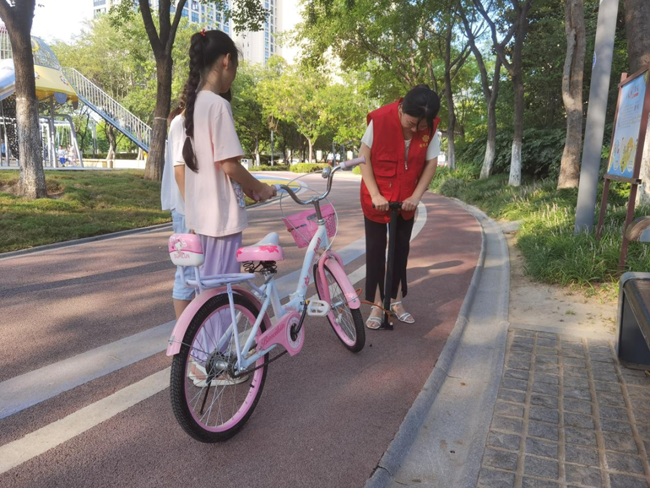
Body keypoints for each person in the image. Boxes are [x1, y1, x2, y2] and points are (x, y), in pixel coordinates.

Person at [181, 29, 276, 382]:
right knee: (221, 295)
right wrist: (259, 188)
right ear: (226, 61)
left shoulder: (194, 104)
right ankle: (212, 364)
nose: (233, 73)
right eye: (235, 66)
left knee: (208, 291)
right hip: (220, 218)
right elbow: (229, 164)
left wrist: (248, 188)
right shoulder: (218, 105)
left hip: (201, 216)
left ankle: (201, 359)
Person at [359, 84, 441, 330]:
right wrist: (376, 194)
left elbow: (431, 163)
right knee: (376, 251)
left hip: (406, 201)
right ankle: (377, 304)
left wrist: (416, 196)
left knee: (399, 251)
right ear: (402, 108)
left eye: (421, 126)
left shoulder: (430, 128)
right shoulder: (380, 120)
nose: (415, 130)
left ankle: (395, 301)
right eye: (411, 123)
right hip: (377, 198)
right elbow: (364, 158)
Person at [161, 101, 193, 319]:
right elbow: (179, 170)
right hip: (185, 211)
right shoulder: (181, 123)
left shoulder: (183, 122)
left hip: (187, 210)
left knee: (192, 273)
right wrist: (192, 213)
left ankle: (192, 332)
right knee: (186, 274)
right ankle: (184, 335)